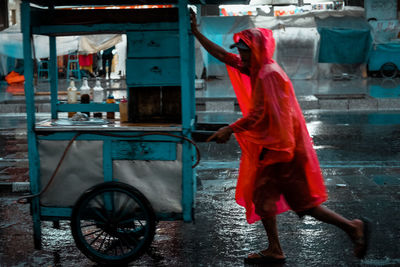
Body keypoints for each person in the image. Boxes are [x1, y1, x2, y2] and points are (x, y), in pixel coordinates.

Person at [190, 11, 370, 264]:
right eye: (240, 50)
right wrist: (197, 33)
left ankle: (349, 229)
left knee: (294, 202)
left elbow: (259, 114)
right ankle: (287, 245)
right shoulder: (259, 67)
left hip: (282, 151)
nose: (240, 55)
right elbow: (224, 56)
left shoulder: (268, 75)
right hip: (279, 147)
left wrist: (230, 129)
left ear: (258, 50)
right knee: (291, 202)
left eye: (245, 50)